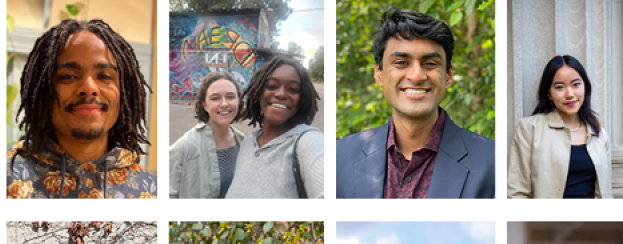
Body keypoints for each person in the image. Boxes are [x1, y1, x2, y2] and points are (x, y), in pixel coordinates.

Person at [336, 8, 497, 199]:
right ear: (379, 74)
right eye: (401, 62)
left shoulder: (492, 161)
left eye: (430, 63)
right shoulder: (340, 157)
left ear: (448, 75)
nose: (417, 76)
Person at [6, 19, 158, 199]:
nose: (89, 87)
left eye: (104, 76)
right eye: (69, 76)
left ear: (124, 94)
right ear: (42, 91)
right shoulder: (6, 180)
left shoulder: (151, 189)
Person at [506, 55, 612, 199]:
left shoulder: (599, 133)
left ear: (585, 87)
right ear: (549, 93)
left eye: (576, 84)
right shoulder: (530, 129)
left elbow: (606, 192)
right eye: (559, 87)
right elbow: (516, 192)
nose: (570, 94)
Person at [224, 56, 325, 199]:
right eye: (272, 86)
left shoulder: (309, 142)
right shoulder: (247, 144)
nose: (281, 94)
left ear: (302, 99)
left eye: (293, 89)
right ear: (258, 92)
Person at [167, 72, 245, 199]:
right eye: (215, 98)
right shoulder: (186, 147)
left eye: (230, 97)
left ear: (238, 100)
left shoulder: (243, 143)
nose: (224, 104)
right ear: (205, 105)